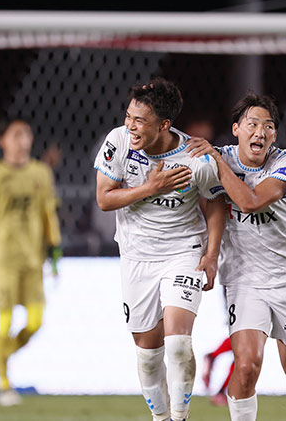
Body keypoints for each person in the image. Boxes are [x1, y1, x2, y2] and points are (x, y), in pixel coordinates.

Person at [93, 77, 226, 421]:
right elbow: (104, 199)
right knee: (148, 356)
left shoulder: (195, 159)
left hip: (183, 251)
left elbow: (215, 204)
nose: (131, 126)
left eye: (140, 121)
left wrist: (211, 255)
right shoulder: (118, 142)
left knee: (179, 344)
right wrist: (150, 188)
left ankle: (180, 417)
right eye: (129, 117)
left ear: (164, 125)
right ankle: (162, 417)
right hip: (136, 256)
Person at [187, 92, 286, 421]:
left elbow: (251, 201)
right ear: (236, 129)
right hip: (244, 278)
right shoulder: (218, 159)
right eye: (253, 124)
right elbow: (213, 202)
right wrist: (211, 255)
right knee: (245, 367)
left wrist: (218, 163)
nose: (260, 132)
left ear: (274, 135)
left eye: (268, 126)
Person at [0, 119, 62, 406]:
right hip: (3, 258)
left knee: (35, 322)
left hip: (33, 258)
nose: (23, 140)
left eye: (26, 134)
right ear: (3, 141)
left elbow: (48, 214)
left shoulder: (41, 173)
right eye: (16, 134)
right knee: (5, 318)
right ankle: (4, 384)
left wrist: (54, 248)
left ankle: (1, 357)